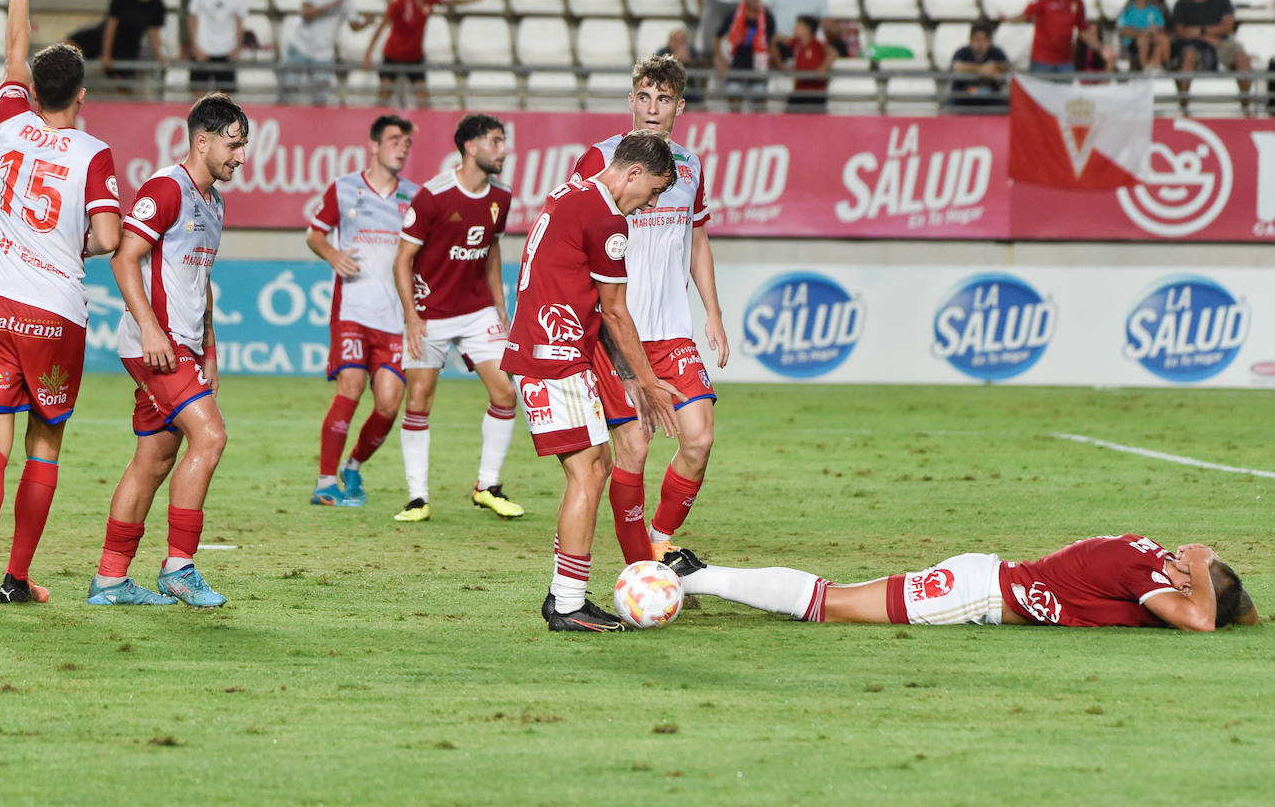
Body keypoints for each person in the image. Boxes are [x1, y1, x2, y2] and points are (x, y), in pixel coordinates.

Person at [0, 0, 123, 609]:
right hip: (54, 315)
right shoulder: (92, 152)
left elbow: (11, 52)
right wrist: (74, 241)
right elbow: (109, 238)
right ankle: (19, 579)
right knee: (44, 445)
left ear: (32, 90)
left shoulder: (6, 123)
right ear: (82, 96)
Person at [502, 131, 683, 632]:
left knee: (597, 465)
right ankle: (566, 605)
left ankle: (564, 596)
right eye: (652, 192)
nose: (649, 205)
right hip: (554, 354)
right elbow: (617, 313)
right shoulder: (607, 220)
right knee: (587, 473)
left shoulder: (572, 191)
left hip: (545, 347)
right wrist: (647, 382)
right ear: (632, 173)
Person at [87, 92, 249, 607]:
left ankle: (110, 579)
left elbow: (200, 284)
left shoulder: (215, 203)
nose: (240, 157)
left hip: (183, 344)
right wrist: (151, 330)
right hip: (156, 345)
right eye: (233, 144)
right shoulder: (166, 188)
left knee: (154, 461)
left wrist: (211, 349)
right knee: (212, 437)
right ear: (202, 142)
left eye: (244, 146)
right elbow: (123, 257)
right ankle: (179, 567)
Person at [569, 56, 727, 567]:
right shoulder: (599, 160)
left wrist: (713, 313)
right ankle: (640, 562)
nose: (652, 108)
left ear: (679, 106)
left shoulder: (690, 166)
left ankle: (659, 535)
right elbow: (576, 237)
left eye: (663, 99)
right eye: (643, 96)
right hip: (616, 333)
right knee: (633, 448)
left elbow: (697, 238)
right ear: (630, 100)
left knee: (699, 439)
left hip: (671, 331)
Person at [664, 534, 1259, 631]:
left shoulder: (1153, 557)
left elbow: (1239, 611)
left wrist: (1203, 570)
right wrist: (1205, 567)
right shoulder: (1149, 575)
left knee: (832, 599)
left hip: (984, 576)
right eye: (1187, 570)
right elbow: (1203, 619)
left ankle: (700, 575)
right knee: (829, 605)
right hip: (977, 593)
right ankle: (699, 576)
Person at [392, 114, 521, 522]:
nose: (503, 150)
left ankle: (487, 485)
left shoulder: (501, 198)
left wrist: (500, 307)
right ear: (471, 146)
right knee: (418, 399)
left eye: (503, 142)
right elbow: (402, 260)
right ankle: (418, 498)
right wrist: (411, 317)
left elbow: (491, 248)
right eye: (496, 142)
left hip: (477, 310)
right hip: (429, 313)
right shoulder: (433, 196)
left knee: (505, 393)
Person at [305, 115, 417, 508]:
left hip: (393, 318)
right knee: (350, 386)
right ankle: (324, 482)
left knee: (389, 403)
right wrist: (333, 253)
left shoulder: (414, 198)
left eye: (406, 142)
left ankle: (353, 466)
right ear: (373, 145)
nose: (402, 147)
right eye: (394, 140)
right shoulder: (345, 188)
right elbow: (315, 233)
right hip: (352, 310)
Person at [363, 0, 485, 108]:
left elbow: (449, 0)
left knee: (423, 98)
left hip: (414, 57)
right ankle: (375, 126)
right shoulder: (399, 3)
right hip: (393, 55)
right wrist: (368, 54)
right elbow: (381, 27)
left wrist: (471, 0)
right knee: (384, 95)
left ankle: (427, 128)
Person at [280, 0, 374, 106]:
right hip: (300, 46)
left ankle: (317, 127)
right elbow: (306, 14)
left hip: (323, 54)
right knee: (288, 91)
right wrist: (332, 4)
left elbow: (353, 26)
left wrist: (365, 23)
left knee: (321, 97)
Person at [67, 0, 168, 92]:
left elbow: (154, 33)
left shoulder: (157, 4)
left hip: (127, 48)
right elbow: (111, 26)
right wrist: (106, 54)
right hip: (104, 37)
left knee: (123, 86)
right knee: (68, 45)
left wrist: (159, 55)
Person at [1008, 0, 1114, 74]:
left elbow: (1083, 31)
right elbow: (1026, 16)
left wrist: (1101, 47)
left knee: (1065, 91)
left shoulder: (1077, 2)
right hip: (1042, 60)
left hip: (1065, 61)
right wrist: (1008, 19)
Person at [1173, 0, 1252, 101]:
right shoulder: (1182, 3)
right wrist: (1205, 39)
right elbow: (1180, 31)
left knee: (1242, 58)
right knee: (1189, 57)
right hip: (1195, 45)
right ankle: (1183, 104)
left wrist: (1201, 30)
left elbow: (1227, 26)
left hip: (1222, 43)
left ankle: (1246, 105)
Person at [187, 0, 248, 92]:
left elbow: (239, 23)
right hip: (204, 49)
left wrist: (237, 48)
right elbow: (192, 19)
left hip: (227, 51)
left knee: (225, 99)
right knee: (197, 93)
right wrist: (196, 47)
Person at [713, 0, 775, 112]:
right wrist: (721, 59)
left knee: (760, 95)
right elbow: (717, 37)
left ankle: (759, 127)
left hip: (757, 65)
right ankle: (736, 128)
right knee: (734, 93)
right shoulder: (734, 16)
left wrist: (770, 60)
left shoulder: (767, 17)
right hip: (736, 63)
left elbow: (770, 42)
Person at [947, 20, 1009, 109]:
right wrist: (981, 69)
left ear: (990, 41)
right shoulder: (962, 52)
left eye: (984, 40)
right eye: (977, 39)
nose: (980, 44)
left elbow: (1006, 66)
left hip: (990, 98)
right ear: (971, 40)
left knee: (1008, 106)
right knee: (947, 107)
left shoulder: (996, 52)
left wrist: (995, 66)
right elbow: (957, 66)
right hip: (963, 98)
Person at [786, 14, 837, 112]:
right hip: (799, 91)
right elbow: (778, 41)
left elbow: (833, 53)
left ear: (807, 29)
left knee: (815, 124)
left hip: (816, 93)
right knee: (787, 120)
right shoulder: (795, 43)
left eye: (798, 26)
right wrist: (781, 64)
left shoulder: (817, 44)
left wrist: (823, 68)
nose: (794, 28)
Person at [1116, 0, 1170, 71]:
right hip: (1133, 41)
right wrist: (1143, 33)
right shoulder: (1128, 10)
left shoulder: (1154, 10)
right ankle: (1144, 67)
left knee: (1163, 40)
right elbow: (1123, 29)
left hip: (1152, 37)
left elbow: (1161, 26)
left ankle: (1159, 65)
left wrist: (1155, 30)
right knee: (1143, 40)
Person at [654, 26, 704, 105]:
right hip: (667, 89)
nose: (680, 44)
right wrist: (673, 60)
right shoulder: (662, 52)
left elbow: (703, 68)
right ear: (670, 41)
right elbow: (655, 68)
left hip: (688, 89)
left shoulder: (691, 51)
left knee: (698, 101)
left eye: (683, 40)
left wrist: (689, 62)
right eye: (677, 40)